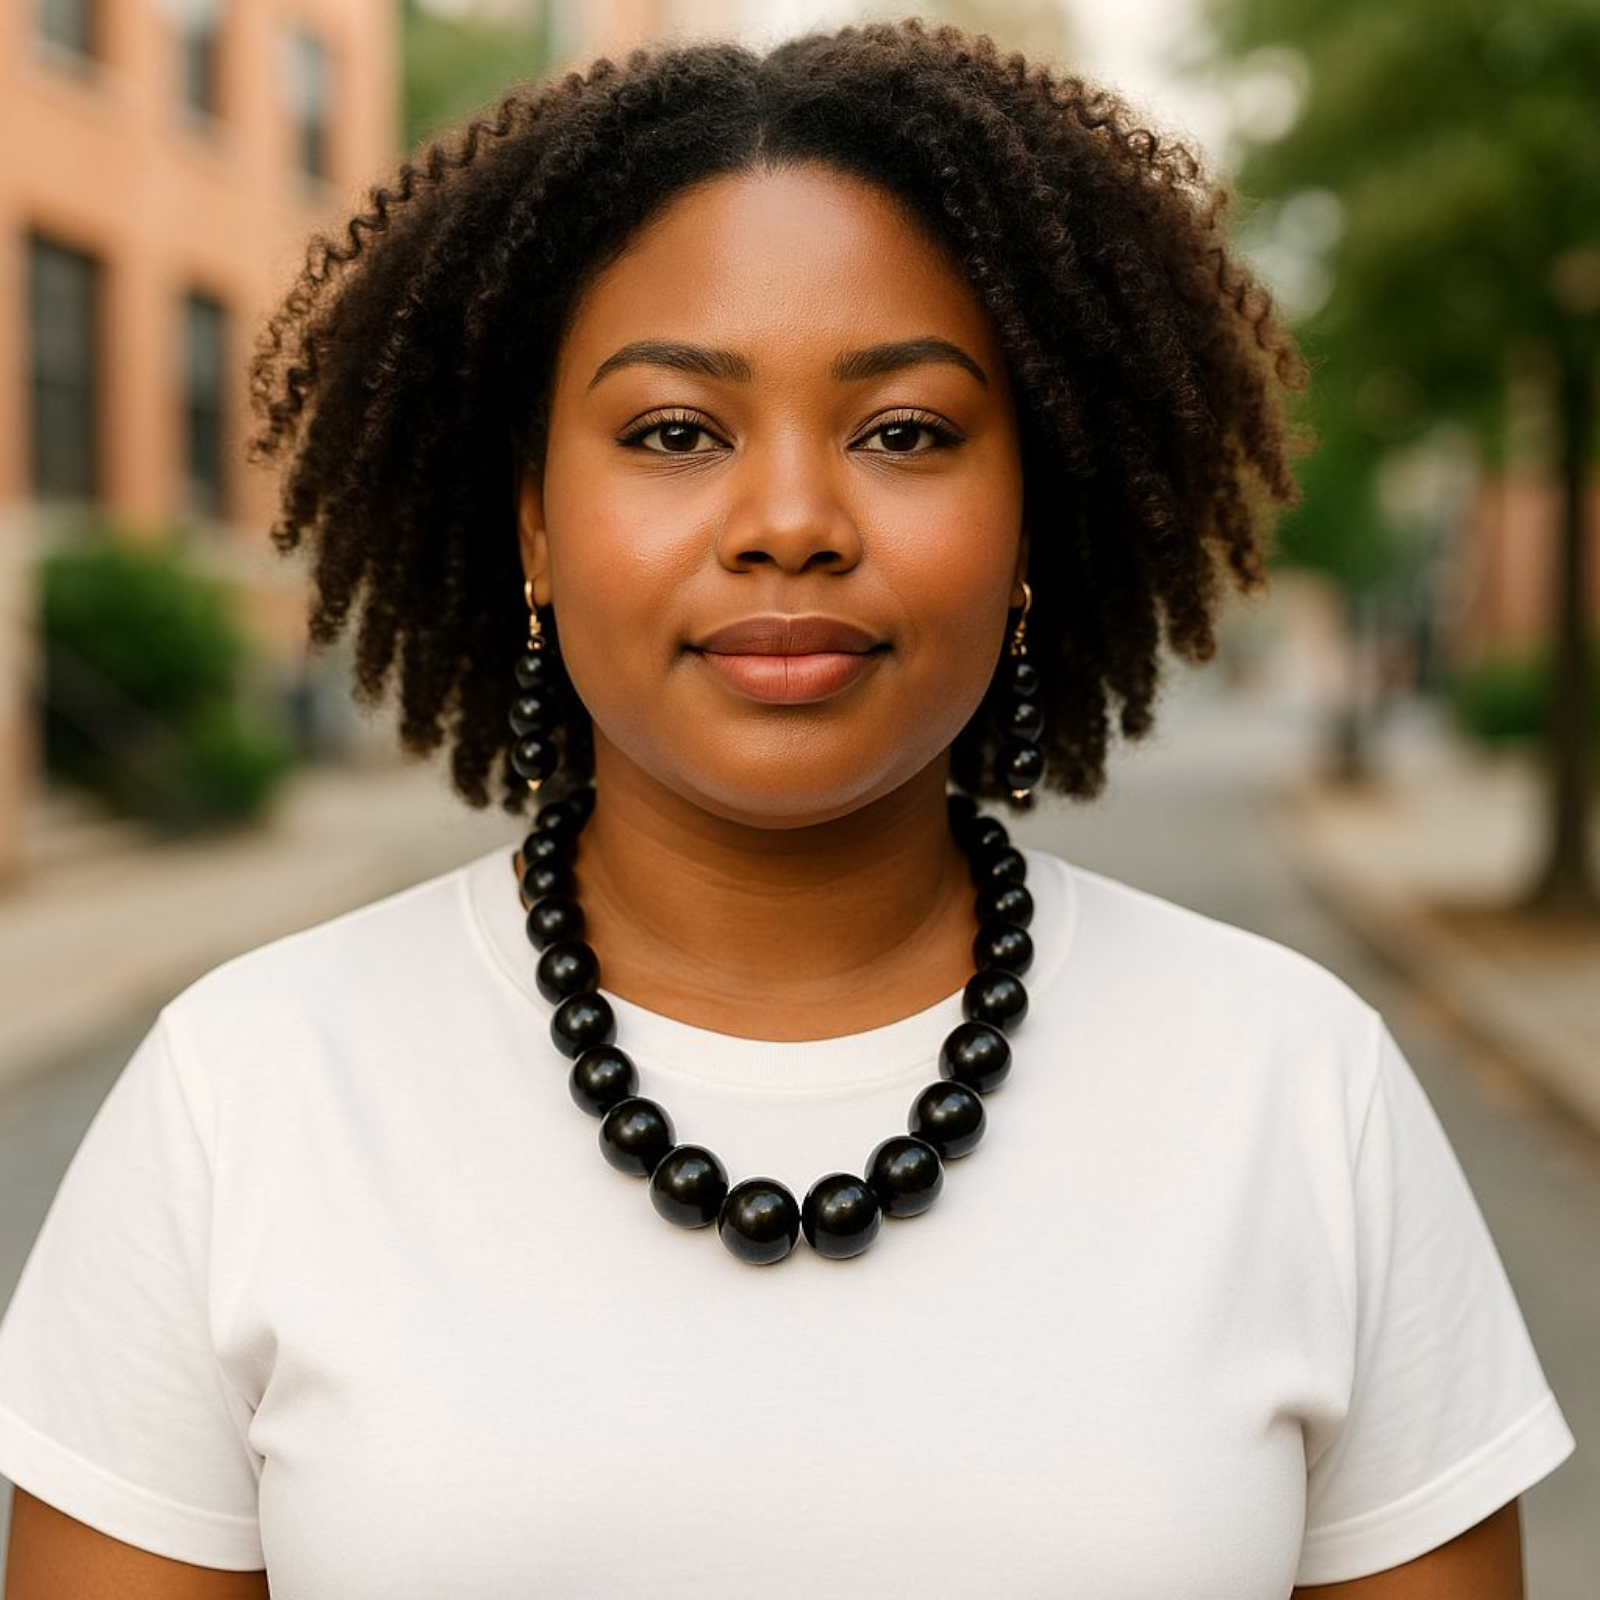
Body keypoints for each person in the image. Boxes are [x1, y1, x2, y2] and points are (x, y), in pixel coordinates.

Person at [0, 20, 1574, 1598]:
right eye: (676, 431)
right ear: (536, 527)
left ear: (1032, 519)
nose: (793, 524)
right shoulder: (246, 1093)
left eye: (904, 432)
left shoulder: (1297, 1088)